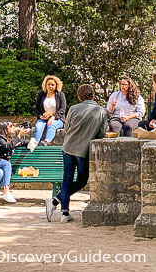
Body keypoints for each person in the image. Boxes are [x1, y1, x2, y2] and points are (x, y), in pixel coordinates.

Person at [45, 84, 109, 223]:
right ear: (93, 95)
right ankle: (58, 205)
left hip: (68, 147)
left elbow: (67, 128)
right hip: (84, 150)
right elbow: (102, 133)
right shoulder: (101, 111)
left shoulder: (73, 108)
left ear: (80, 97)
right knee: (81, 180)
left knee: (67, 179)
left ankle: (63, 211)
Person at [30, 75, 67, 148]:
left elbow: (62, 109)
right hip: (43, 119)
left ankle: (47, 141)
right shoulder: (41, 94)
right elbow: (37, 108)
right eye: (49, 84)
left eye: (52, 85)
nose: (50, 86)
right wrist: (41, 116)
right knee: (38, 127)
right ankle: (34, 146)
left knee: (51, 125)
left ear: (56, 85)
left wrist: (53, 117)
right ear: (45, 85)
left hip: (57, 119)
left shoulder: (60, 95)